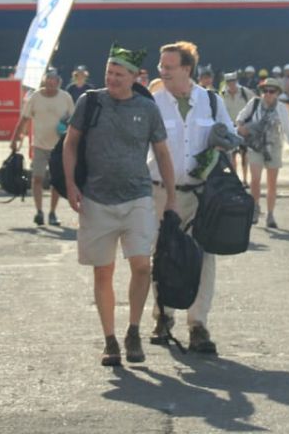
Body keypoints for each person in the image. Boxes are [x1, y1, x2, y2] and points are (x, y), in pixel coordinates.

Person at [63, 45, 177, 368]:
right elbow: (70, 144)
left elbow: (163, 153)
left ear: (134, 77)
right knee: (104, 271)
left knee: (142, 265)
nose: (112, 79)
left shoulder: (147, 107)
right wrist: (71, 184)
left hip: (138, 197)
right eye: (109, 73)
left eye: (119, 74)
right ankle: (110, 339)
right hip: (96, 199)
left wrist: (171, 197)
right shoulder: (90, 102)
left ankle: (134, 330)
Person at [149, 42, 236, 356]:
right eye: (161, 66)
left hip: (201, 194)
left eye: (168, 67)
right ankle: (162, 317)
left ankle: (198, 325)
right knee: (161, 255)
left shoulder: (211, 102)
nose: (163, 71)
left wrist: (227, 144)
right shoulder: (153, 102)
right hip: (160, 192)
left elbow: (229, 138)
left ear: (186, 69)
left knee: (203, 258)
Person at [9, 67, 74, 226]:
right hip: (39, 145)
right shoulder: (36, 97)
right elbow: (24, 119)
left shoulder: (65, 97)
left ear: (59, 82)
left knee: (56, 181)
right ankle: (39, 211)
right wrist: (15, 139)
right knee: (37, 178)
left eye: (55, 80)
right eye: (49, 80)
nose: (52, 83)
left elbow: (73, 120)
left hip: (58, 147)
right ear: (45, 81)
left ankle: (52, 212)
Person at [236, 77, 289, 229]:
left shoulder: (282, 109)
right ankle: (256, 208)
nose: (268, 94)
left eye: (271, 91)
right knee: (255, 180)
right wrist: (241, 128)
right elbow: (240, 118)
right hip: (255, 146)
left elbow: (288, 128)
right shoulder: (255, 104)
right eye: (265, 91)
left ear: (277, 93)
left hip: (274, 147)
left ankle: (271, 214)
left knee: (272, 183)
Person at [220, 71, 254, 184]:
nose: (231, 84)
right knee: (233, 156)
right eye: (229, 82)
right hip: (230, 128)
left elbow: (255, 102)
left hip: (243, 127)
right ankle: (235, 180)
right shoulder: (223, 94)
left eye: (233, 81)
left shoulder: (244, 92)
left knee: (244, 155)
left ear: (236, 81)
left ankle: (245, 180)